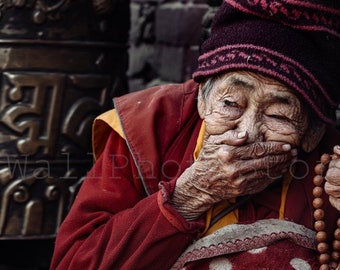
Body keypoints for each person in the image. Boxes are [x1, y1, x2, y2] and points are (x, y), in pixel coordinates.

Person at [50, 0, 340, 269]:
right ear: (202, 98)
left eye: (278, 115)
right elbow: (74, 262)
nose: (247, 132)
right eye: (230, 104)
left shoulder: (330, 165)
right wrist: (189, 196)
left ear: (312, 133)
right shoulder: (147, 126)